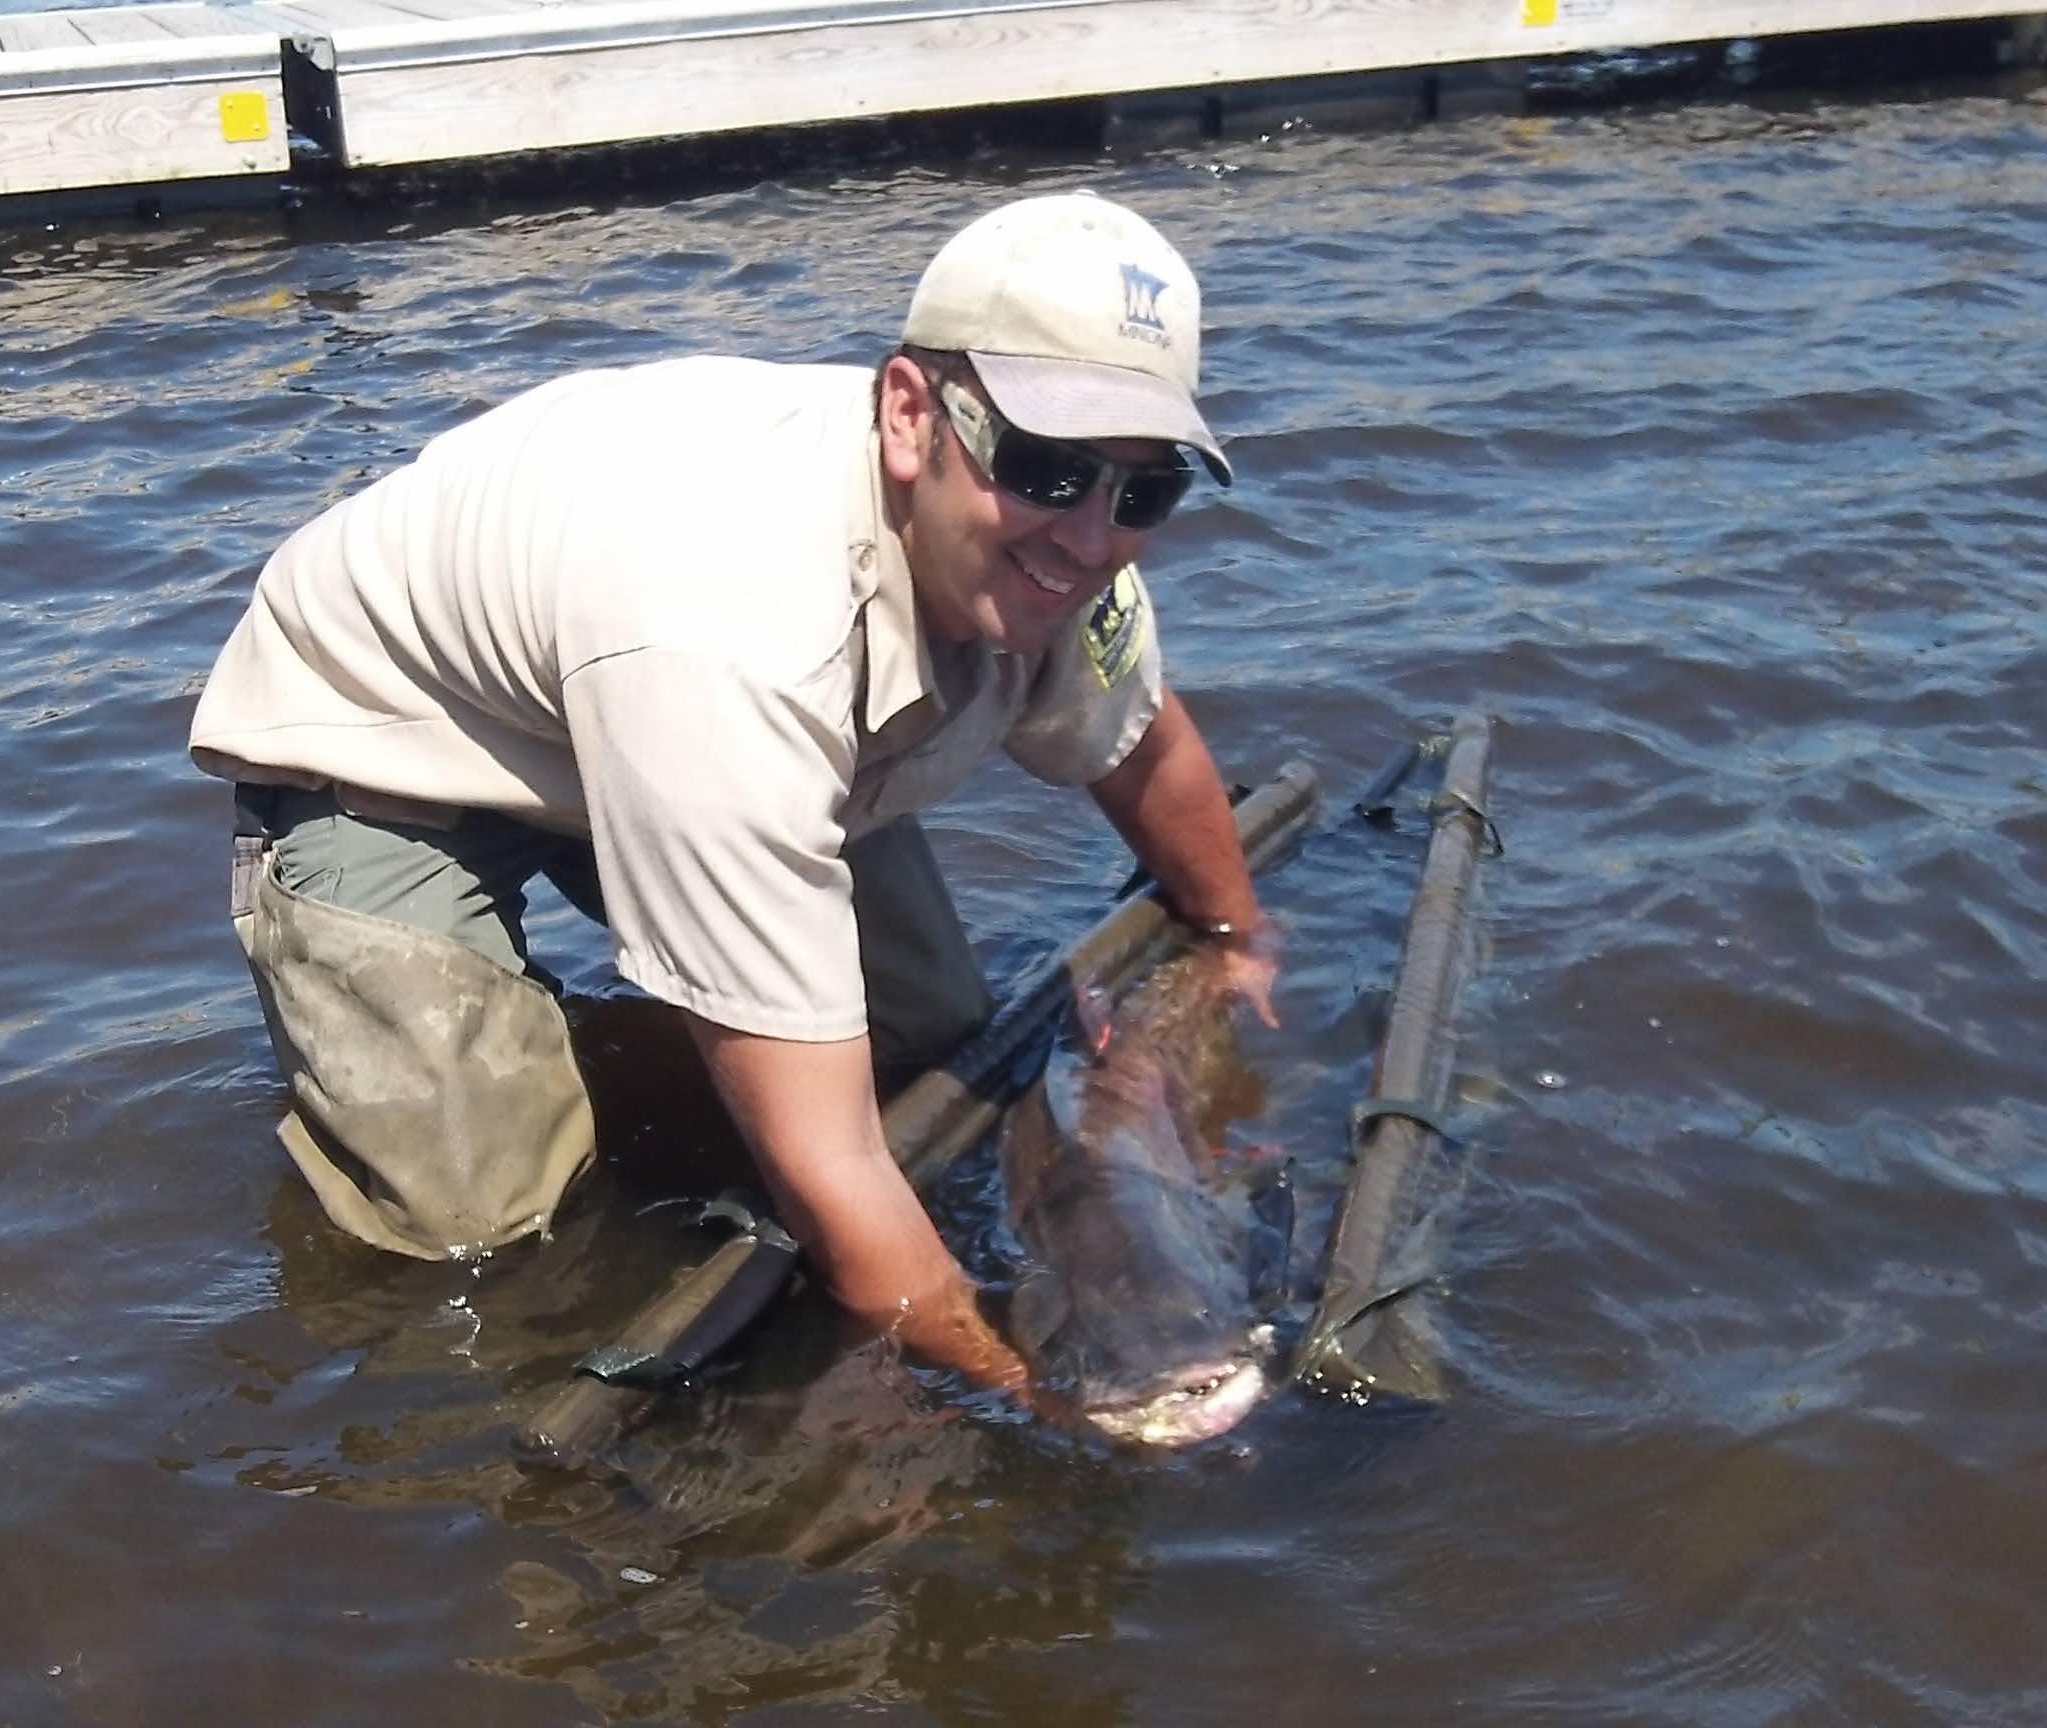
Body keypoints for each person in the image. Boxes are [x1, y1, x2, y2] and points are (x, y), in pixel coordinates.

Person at [188, 190, 1271, 1392]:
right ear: (912, 416)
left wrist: (1236, 944)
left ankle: (662, 1023)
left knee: (936, 1047)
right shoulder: (729, 640)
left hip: (650, 695)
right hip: (393, 730)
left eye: (1146, 489)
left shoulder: (1071, 555)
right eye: (1049, 466)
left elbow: (1142, 747)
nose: (1090, 536)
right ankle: (542, 1063)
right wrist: (1036, 1397)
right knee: (477, 1234)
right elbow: (833, 1168)